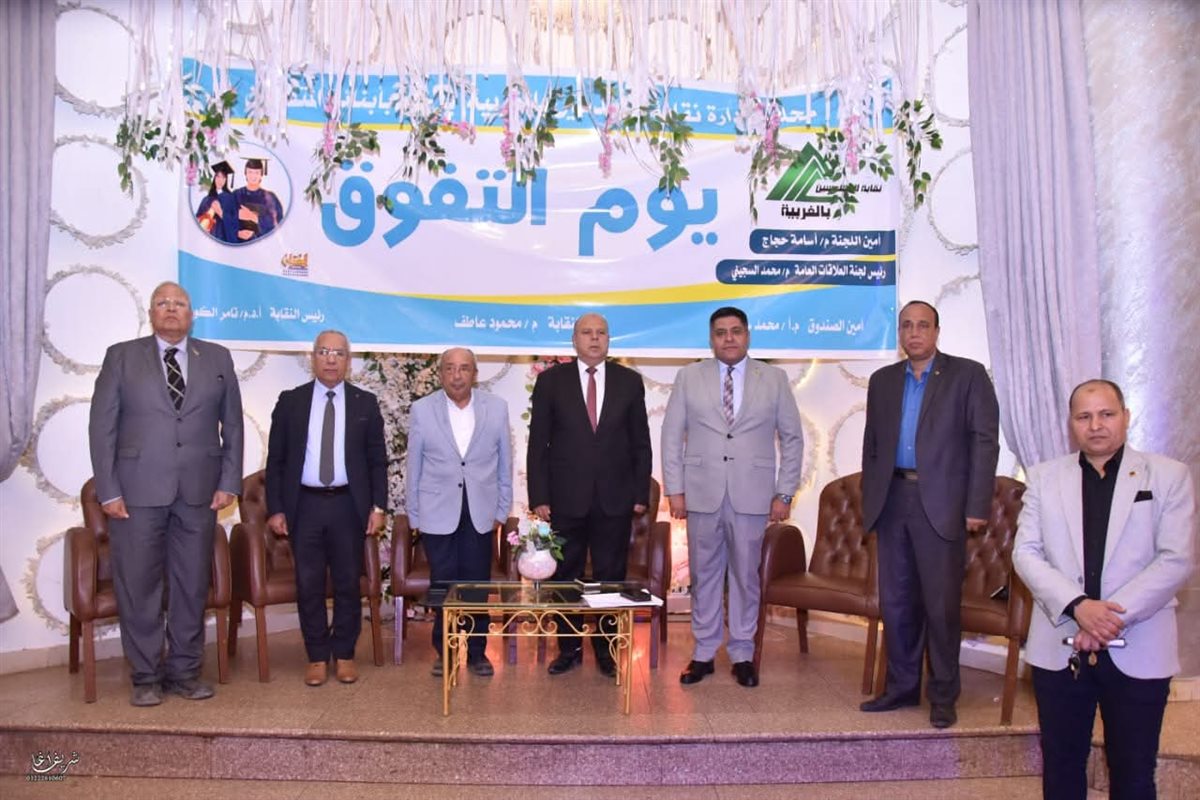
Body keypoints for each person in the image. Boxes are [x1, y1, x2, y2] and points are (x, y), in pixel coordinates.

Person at [1014, 379, 1195, 800]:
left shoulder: (1168, 476)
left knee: (1134, 774)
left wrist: (1105, 618)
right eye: (1084, 416)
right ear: (1071, 424)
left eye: (1106, 414)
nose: (1095, 425)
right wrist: (1078, 606)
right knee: (1061, 769)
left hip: (1140, 644)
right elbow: (1025, 553)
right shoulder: (1043, 478)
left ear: (1125, 417)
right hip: (1060, 646)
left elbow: (1176, 558)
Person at [88, 281, 243, 706]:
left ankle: (185, 673)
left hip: (199, 492)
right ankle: (145, 676)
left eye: (179, 304)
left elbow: (232, 424)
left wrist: (229, 481)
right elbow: (102, 428)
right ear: (151, 313)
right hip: (136, 493)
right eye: (163, 303)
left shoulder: (217, 358)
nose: (171, 309)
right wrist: (108, 490)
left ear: (192, 315)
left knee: (191, 585)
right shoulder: (121, 357)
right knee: (139, 586)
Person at [859, 300, 999, 728]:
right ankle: (902, 688)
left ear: (937, 331)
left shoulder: (968, 375)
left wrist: (976, 506)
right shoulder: (882, 381)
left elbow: (984, 442)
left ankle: (942, 695)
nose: (914, 333)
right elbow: (872, 444)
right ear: (899, 333)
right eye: (906, 326)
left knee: (941, 607)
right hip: (893, 499)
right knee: (897, 603)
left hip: (942, 504)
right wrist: (871, 501)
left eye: (923, 325)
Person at [661, 306, 803, 688]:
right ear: (711, 339)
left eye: (736, 331)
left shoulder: (773, 379)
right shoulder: (689, 377)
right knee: (704, 575)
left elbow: (792, 438)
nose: (729, 338)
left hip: (753, 494)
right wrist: (675, 490)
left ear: (747, 335)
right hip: (701, 492)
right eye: (721, 332)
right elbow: (671, 436)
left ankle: (742, 653)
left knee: (745, 576)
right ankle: (703, 653)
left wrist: (784, 492)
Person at [527, 312, 652, 677]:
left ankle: (606, 650)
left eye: (601, 333)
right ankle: (568, 649)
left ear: (609, 340)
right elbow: (538, 444)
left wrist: (639, 492)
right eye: (587, 332)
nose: (594, 339)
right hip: (565, 498)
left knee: (610, 576)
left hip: (615, 498)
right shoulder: (551, 381)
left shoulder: (629, 382)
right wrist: (539, 496)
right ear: (574, 340)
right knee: (565, 575)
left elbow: (641, 443)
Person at [264, 330, 388, 687]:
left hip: (349, 505)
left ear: (348, 361)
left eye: (338, 353)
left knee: (348, 582)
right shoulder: (291, 401)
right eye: (323, 352)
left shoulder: (365, 403)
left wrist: (378, 506)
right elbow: (276, 460)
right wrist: (276, 508)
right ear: (312, 358)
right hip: (305, 505)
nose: (331, 359)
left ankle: (345, 653)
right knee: (309, 583)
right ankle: (317, 655)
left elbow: (377, 460)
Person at [406, 348, 513, 678]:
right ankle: (446, 651)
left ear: (475, 373)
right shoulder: (422, 410)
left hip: (480, 511)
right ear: (441, 374)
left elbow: (505, 463)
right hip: (436, 511)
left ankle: (478, 652)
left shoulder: (496, 407)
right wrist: (414, 515)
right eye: (450, 369)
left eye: (464, 368)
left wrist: (502, 509)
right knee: (443, 583)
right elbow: (414, 466)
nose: (457, 375)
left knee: (477, 584)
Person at [232, 157, 284, 241]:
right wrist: (236, 232)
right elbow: (225, 218)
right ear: (245, 173)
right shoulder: (236, 195)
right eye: (250, 172)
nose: (253, 176)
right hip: (238, 244)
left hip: (263, 244)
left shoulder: (270, 197)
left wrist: (253, 217)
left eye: (257, 172)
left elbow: (277, 223)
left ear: (261, 174)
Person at [195, 160, 239, 243]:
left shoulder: (231, 198)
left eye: (223, 177)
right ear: (214, 178)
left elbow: (235, 223)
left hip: (223, 240)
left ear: (226, 180)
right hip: (207, 240)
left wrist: (221, 213)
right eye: (218, 176)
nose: (220, 180)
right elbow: (197, 219)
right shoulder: (206, 199)